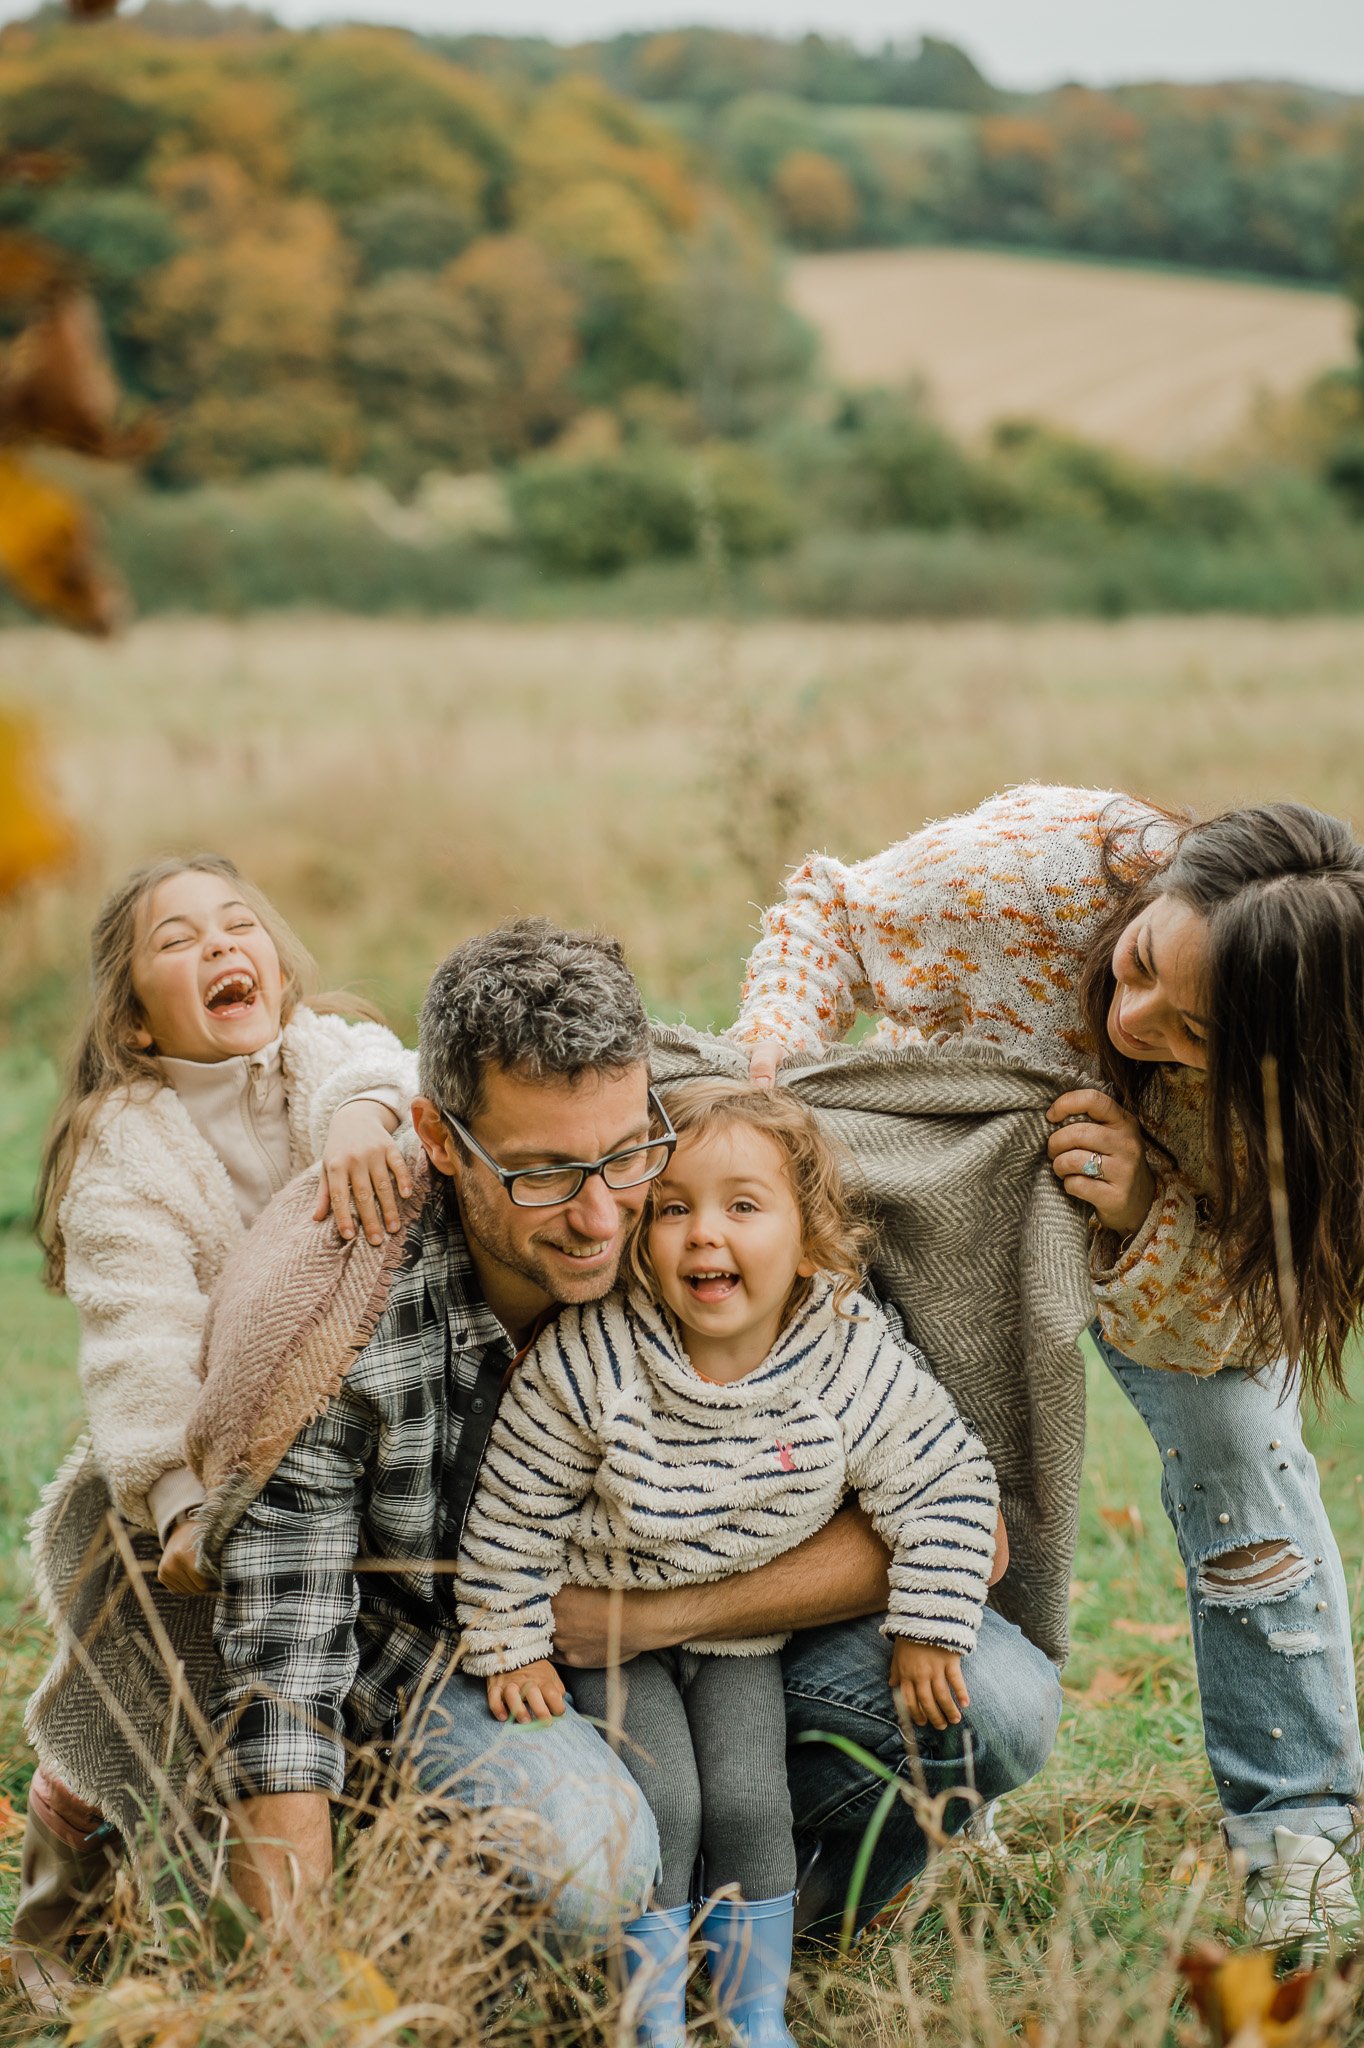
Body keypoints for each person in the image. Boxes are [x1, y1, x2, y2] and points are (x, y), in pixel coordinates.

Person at [203, 919, 1060, 1955]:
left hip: (718, 1641)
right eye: (543, 1173)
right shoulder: (337, 1318)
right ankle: (518, 1923)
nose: (602, 1214)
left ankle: (752, 1935)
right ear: (436, 1137)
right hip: (469, 1664)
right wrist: (297, 1986)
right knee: (591, 1860)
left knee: (1001, 1705)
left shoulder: (712, 1202)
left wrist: (651, 1616)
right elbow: (281, 1682)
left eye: (621, 1155)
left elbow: (966, 1527)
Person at [731, 781, 1364, 1944]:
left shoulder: (1330, 1085)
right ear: (1146, 895)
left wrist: (1140, 1211)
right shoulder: (1036, 868)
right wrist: (776, 1045)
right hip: (949, 1197)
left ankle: (1299, 1839)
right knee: (943, 1471)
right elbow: (825, 909)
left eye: (1191, 1038)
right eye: (1134, 967)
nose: (1133, 1028)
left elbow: (1251, 1314)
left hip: (1173, 1243)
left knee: (1244, 1452)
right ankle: (935, 1764)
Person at [455, 1078, 1000, 2048]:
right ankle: (651, 2015)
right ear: (639, 1233)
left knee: (749, 1801)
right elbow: (512, 1508)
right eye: (672, 1208)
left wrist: (926, 1622)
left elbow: (945, 1477)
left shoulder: (842, 1353)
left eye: (742, 1205)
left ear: (807, 1237)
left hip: (745, 1641)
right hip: (606, 1640)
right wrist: (509, 1644)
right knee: (664, 1799)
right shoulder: (595, 1356)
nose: (703, 1233)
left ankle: (750, 2013)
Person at [10, 853, 417, 2011]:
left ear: (279, 971)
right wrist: (183, 1497)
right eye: (178, 940)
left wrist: (360, 1119)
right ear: (135, 1020)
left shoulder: (325, 1060)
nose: (221, 947)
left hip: (349, 1440)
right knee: (144, 1663)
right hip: (182, 1464)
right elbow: (138, 1343)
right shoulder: (125, 1151)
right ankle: (63, 1889)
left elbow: (394, 1069)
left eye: (240, 927)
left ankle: (355, 1879)